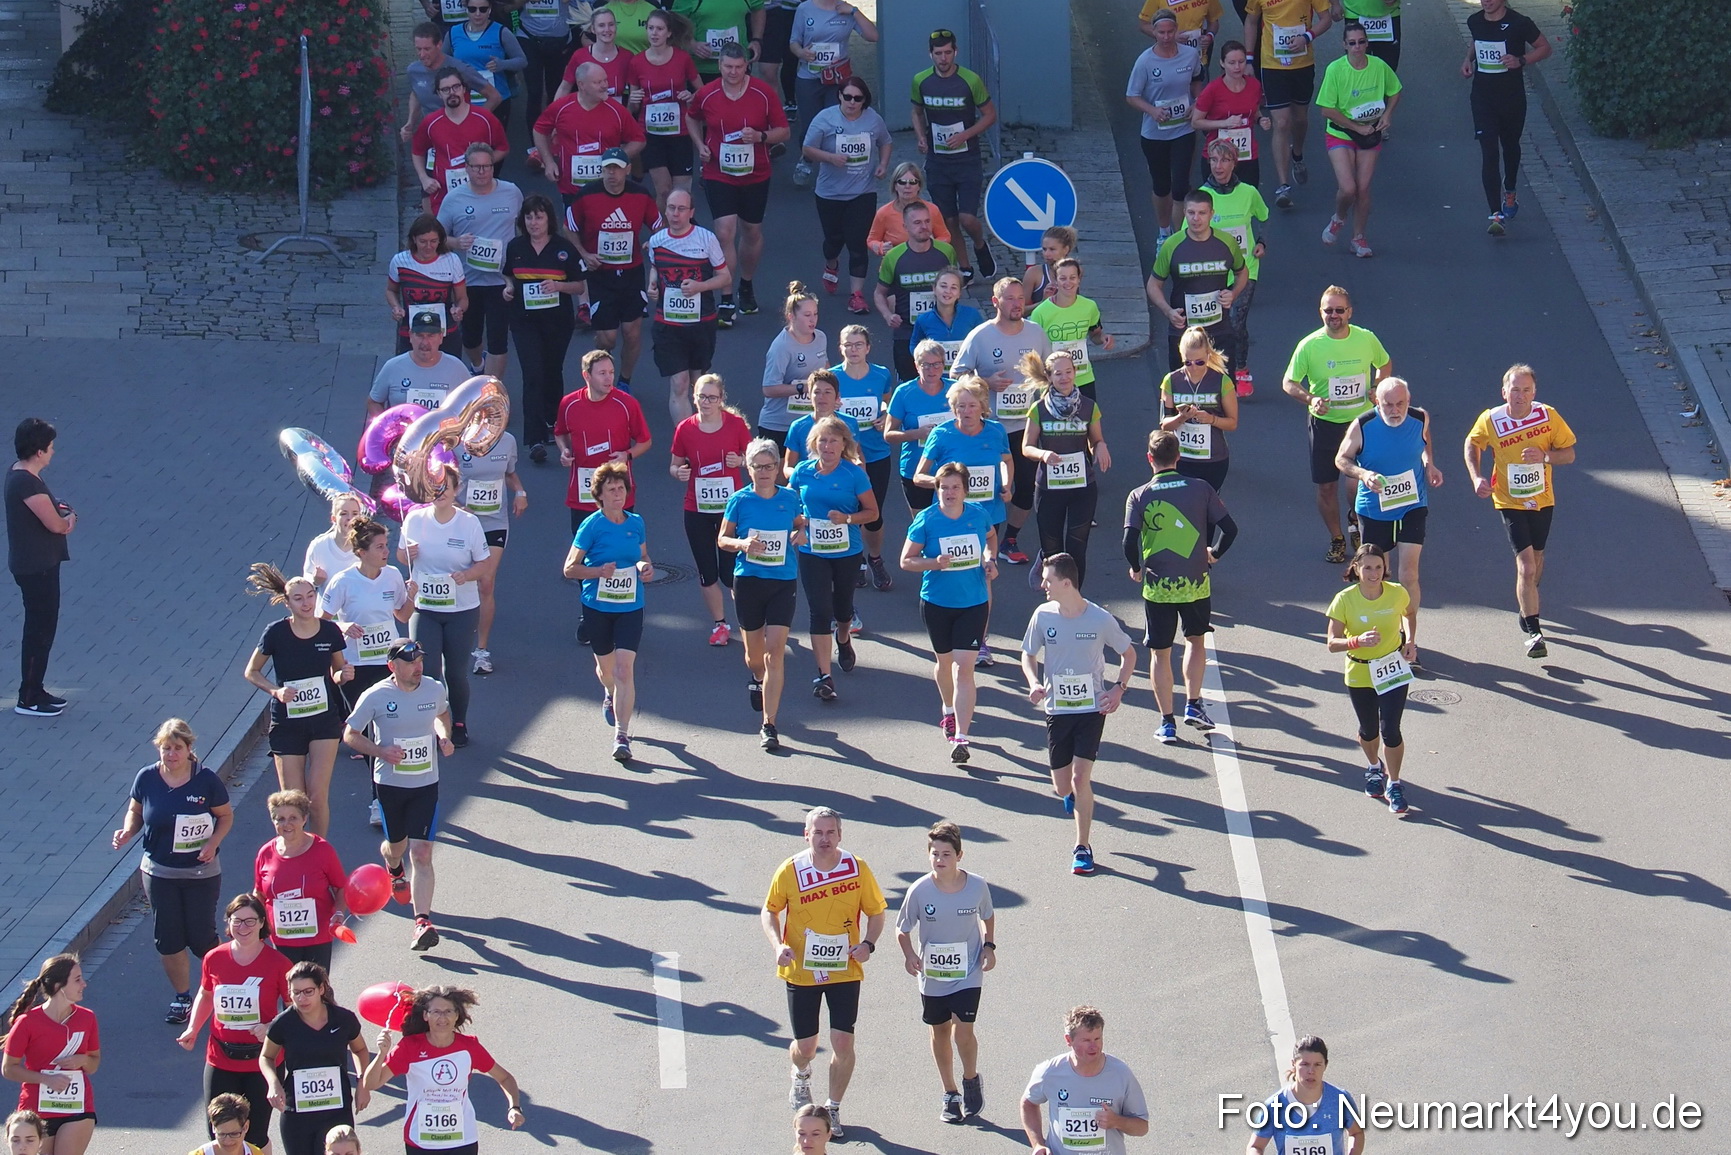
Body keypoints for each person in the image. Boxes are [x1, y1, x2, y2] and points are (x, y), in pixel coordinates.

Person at [760, 807, 887, 1143]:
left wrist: (868, 944)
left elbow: (876, 912)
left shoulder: (856, 868)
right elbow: (770, 911)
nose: (825, 839)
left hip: (844, 968)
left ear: (840, 835)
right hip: (801, 970)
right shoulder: (791, 869)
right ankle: (800, 1073)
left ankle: (832, 1108)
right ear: (806, 834)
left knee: (843, 1041)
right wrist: (777, 946)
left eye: (831, 832)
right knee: (806, 1046)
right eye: (818, 832)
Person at [110, 717, 234, 1024]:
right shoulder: (147, 778)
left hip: (200, 873)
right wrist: (127, 831)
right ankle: (182, 997)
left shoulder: (205, 780)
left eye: (177, 748)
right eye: (166, 748)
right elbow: (136, 811)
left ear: (189, 749)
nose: (171, 755)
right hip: (159, 871)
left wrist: (213, 842)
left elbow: (225, 816)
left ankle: (224, 984)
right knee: (168, 938)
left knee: (201, 937)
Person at [1020, 553, 1136, 875]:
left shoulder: (1099, 619)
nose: (1042, 585)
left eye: (1048, 580)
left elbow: (1129, 654)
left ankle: (1082, 846)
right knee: (1062, 787)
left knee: (1080, 777)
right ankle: (1070, 795)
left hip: (1091, 708)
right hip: (1058, 709)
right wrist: (1032, 682)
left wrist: (1118, 690)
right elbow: (1028, 654)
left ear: (1066, 583)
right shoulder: (1043, 616)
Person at [1125, 429, 1238, 745]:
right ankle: (1194, 703)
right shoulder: (1201, 488)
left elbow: (1128, 539)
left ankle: (1167, 722)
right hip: (1196, 583)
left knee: (1160, 653)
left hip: (1158, 586)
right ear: (1179, 457)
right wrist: (1213, 554)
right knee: (1195, 641)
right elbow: (1230, 529)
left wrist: (1136, 567)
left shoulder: (1139, 494)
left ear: (1150, 458)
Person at [341, 640, 453, 948]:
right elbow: (349, 734)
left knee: (422, 853)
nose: (418, 667)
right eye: (411, 662)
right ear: (393, 667)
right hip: (390, 786)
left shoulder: (433, 689)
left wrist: (444, 738)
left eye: (420, 660)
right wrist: (379, 751)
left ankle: (423, 922)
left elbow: (443, 715)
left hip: (426, 784)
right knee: (396, 847)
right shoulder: (376, 696)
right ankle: (394, 867)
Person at [1463, 363, 1576, 658]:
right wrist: (1476, 476)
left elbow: (1570, 454)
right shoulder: (1491, 420)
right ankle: (1534, 631)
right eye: (1515, 390)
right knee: (1525, 565)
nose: (1520, 396)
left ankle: (1528, 602)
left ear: (1534, 392)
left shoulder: (1548, 417)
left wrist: (1546, 456)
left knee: (1537, 560)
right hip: (1508, 500)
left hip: (1542, 499)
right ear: (1504, 392)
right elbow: (1472, 443)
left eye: (1526, 390)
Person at [1282, 285, 1392, 562]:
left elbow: (1385, 364)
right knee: (1327, 486)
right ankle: (1337, 537)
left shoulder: (1366, 339)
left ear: (1349, 312)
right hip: (1325, 424)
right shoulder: (1309, 345)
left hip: (1361, 423)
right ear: (1321, 312)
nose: (1334, 315)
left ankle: (1356, 521)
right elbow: (1289, 382)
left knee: (1358, 481)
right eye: (1328, 310)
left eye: (1339, 310)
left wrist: (1377, 386)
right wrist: (1310, 399)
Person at [318, 515, 414, 829]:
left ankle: (387, 794)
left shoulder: (393, 576)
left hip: (387, 663)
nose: (387, 551)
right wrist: (343, 626)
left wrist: (412, 595)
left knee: (385, 729)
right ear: (361, 551)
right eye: (380, 546)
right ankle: (378, 801)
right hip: (354, 666)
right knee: (372, 731)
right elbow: (322, 621)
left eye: (387, 545)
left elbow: (401, 614)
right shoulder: (343, 581)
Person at [1334, 377, 1439, 661]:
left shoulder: (1420, 417)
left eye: (1400, 404)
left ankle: (1409, 643)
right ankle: (1384, 638)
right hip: (1374, 508)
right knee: (1380, 575)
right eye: (1388, 405)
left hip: (1412, 504)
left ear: (1408, 400)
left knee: (1409, 575)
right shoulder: (1363, 425)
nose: (1395, 410)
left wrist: (1430, 466)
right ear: (1376, 403)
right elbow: (1342, 459)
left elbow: (1424, 443)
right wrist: (1363, 475)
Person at [177, 895, 292, 1155]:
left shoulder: (278, 963)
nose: (243, 927)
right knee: (219, 1131)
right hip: (221, 1058)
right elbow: (206, 994)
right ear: (228, 924)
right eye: (237, 921)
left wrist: (271, 1026)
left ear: (262, 923)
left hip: (262, 1060)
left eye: (250, 921)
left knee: (254, 1134)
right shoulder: (214, 958)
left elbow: (294, 1007)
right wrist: (192, 1029)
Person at [894, 821, 994, 1121]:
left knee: (963, 1032)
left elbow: (988, 916)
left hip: (968, 972)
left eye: (946, 854)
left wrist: (989, 947)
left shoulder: (977, 885)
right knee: (939, 1031)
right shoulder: (920, 890)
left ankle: (970, 1079)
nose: (940, 860)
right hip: (933, 977)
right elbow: (902, 929)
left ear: (959, 856)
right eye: (935, 853)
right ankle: (949, 1092)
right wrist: (910, 955)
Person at [243, 565, 352, 837]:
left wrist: (343, 674)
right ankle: (294, 853)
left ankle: (320, 852)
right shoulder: (276, 633)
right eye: (299, 598)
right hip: (288, 723)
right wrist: (276, 691)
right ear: (287, 602)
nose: (306, 603)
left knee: (316, 796)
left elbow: (337, 673)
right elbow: (251, 671)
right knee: (294, 799)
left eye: (310, 595)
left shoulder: (330, 632)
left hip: (323, 721)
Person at [901, 463, 997, 761]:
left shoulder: (978, 515)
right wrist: (934, 562)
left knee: (964, 668)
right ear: (937, 489)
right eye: (944, 487)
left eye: (955, 487)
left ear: (965, 490)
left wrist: (990, 558)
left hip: (974, 602)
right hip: (937, 602)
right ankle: (948, 709)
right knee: (944, 664)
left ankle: (961, 737)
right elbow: (906, 561)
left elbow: (991, 537)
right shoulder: (927, 521)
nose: (949, 493)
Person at [914, 377, 1013, 667]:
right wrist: (948, 485)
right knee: (953, 573)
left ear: (983, 407)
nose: (966, 412)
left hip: (987, 514)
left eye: (972, 406)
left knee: (984, 573)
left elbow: (1006, 461)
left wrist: (1007, 484)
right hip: (948, 518)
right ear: (952, 408)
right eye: (960, 406)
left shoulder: (995, 431)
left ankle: (979, 641)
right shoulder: (942, 434)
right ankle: (947, 628)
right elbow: (919, 475)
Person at [688, 42, 789, 324]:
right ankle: (726, 296)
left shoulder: (763, 93)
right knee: (724, 230)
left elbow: (784, 131)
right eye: (727, 67)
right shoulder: (707, 94)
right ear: (719, 66)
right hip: (718, 172)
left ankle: (746, 283)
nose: (733, 72)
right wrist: (700, 145)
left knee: (751, 232)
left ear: (747, 66)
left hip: (755, 173)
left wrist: (761, 137)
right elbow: (691, 117)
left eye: (738, 67)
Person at [952, 278, 1050, 564]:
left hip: (1026, 425)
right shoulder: (980, 336)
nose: (1016, 304)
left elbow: (1051, 370)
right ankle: (980, 537)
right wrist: (985, 381)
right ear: (995, 302)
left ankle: (1010, 539)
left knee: (1025, 484)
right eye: (1009, 298)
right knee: (988, 485)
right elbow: (957, 375)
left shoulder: (1036, 333)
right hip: (990, 426)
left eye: (1020, 298)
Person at [718, 439, 807, 750]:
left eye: (770, 466)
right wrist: (742, 544)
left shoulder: (790, 498)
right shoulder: (739, 501)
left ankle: (769, 724)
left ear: (777, 467)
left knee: (774, 653)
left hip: (782, 581)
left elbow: (799, 524)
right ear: (749, 468)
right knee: (755, 657)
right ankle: (756, 679)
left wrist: (801, 533)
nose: (765, 472)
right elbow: (722, 539)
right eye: (759, 467)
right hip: (749, 581)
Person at [563, 462, 654, 762]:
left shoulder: (636, 522)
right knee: (606, 671)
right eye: (611, 490)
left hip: (631, 605)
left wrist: (644, 567)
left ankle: (622, 734)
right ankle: (608, 692)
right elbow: (569, 569)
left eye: (621, 488)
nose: (618, 494)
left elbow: (641, 556)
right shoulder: (591, 526)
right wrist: (598, 571)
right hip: (597, 606)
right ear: (599, 496)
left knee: (624, 669)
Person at [363, 987, 524, 1151]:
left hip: (462, 1139)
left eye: (448, 1011)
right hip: (421, 1140)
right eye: (436, 1012)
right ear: (426, 1015)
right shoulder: (409, 1047)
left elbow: (505, 1078)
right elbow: (371, 1084)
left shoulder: (469, 1047)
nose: (442, 1017)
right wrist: (381, 1054)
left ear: (456, 1015)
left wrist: (514, 1107)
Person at [398, 473, 492, 746]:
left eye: (445, 488)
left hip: (461, 609)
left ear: (456, 489)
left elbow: (484, 564)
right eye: (435, 488)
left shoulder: (468, 523)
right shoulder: (415, 519)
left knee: (455, 670)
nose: (440, 493)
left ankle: (459, 722)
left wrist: (468, 575)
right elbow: (401, 556)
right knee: (425, 670)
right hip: (425, 606)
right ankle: (429, 724)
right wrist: (408, 555)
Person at [788, 416, 876, 700]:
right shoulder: (802, 471)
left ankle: (844, 637)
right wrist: (798, 525)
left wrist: (848, 518)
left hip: (846, 552)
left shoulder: (854, 474)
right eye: (822, 440)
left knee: (842, 607)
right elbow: (788, 507)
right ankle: (824, 675)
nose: (827, 446)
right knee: (819, 610)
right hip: (812, 551)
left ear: (844, 445)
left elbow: (872, 512)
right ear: (814, 443)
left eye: (833, 441)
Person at [1324, 543, 1415, 815]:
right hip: (1359, 671)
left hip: (1392, 668)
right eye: (1368, 568)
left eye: (1379, 567)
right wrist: (1356, 641)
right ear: (1356, 569)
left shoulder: (1397, 593)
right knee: (1368, 730)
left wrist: (1410, 640)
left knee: (1391, 730)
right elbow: (1331, 643)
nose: (1374, 573)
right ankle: (1374, 767)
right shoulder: (1345, 599)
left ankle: (1395, 784)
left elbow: (1409, 614)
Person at [565, 147, 661, 391]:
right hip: (600, 275)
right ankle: (601, 367)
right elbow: (569, 227)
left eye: (617, 169)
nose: (612, 174)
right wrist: (585, 254)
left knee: (631, 333)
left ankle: (624, 381)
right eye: (608, 168)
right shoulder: (587, 195)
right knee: (608, 337)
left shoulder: (641, 195)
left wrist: (653, 241)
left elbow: (659, 228)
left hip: (631, 273)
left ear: (627, 170)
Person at [500, 193, 585, 458]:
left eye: (539, 216)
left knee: (551, 371)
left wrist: (558, 286)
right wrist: (508, 288)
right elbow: (507, 277)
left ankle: (552, 421)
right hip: (524, 321)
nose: (534, 222)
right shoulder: (515, 247)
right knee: (532, 373)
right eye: (529, 217)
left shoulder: (564, 248)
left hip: (557, 321)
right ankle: (534, 439)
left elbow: (579, 285)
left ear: (549, 219)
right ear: (522, 221)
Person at [670, 373, 752, 646]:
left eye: (712, 398)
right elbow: (674, 464)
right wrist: (678, 472)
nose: (706, 402)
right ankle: (719, 624)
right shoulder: (685, 428)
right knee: (707, 571)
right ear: (694, 398)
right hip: (697, 509)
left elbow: (755, 461)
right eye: (701, 397)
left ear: (721, 400)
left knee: (730, 572)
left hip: (731, 510)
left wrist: (740, 460)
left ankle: (748, 620)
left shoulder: (736, 425)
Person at [909, 29, 997, 282]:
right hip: (938, 161)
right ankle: (965, 267)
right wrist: (921, 137)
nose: (943, 58)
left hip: (967, 159)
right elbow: (916, 112)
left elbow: (990, 115)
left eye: (948, 53)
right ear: (930, 54)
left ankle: (980, 244)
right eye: (938, 54)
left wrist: (966, 134)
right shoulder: (921, 81)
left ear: (955, 52)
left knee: (967, 217)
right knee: (948, 219)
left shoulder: (970, 80)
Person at [1020, 350, 1111, 586]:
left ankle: (1074, 598)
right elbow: (1026, 447)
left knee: (1076, 549)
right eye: (1058, 373)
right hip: (1049, 489)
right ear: (1049, 377)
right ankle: (1053, 591)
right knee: (1053, 550)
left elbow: (1096, 439)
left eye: (1068, 372)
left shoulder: (1089, 407)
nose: (1064, 378)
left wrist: (1100, 447)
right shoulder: (1038, 409)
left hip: (1082, 487)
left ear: (1075, 373)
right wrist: (1043, 454)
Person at [259, 963, 369, 1155]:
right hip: (297, 1112)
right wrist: (273, 1083)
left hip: (336, 1108)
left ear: (321, 989)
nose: (302, 998)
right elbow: (266, 1056)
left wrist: (363, 1083)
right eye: (296, 992)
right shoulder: (283, 1023)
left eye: (308, 991)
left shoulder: (343, 1019)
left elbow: (359, 1050)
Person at [803, 75, 891, 313]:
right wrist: (830, 158)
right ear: (839, 96)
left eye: (858, 98)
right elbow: (808, 149)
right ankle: (831, 264)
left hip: (863, 192)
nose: (852, 102)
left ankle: (857, 294)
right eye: (848, 97)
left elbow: (885, 141)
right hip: (830, 193)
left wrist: (882, 163)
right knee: (833, 241)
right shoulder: (825, 119)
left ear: (864, 100)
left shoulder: (873, 119)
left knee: (858, 244)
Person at [1462, 0, 1548, 236]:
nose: (1486, 1)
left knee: (1510, 146)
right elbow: (1476, 42)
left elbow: (1544, 48)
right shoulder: (1474, 21)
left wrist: (1521, 61)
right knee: (1489, 151)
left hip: (1511, 99)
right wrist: (1468, 59)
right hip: (1482, 98)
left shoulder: (1520, 23)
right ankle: (1495, 214)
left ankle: (1510, 189)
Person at [6, 417, 74, 717]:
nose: (53, 452)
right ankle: (29, 697)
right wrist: (70, 519)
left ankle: (36, 687)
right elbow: (56, 525)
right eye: (50, 447)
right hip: (37, 568)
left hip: (38, 564)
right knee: (39, 630)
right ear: (38, 451)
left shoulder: (22, 475)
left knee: (42, 628)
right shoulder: (25, 482)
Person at [556, 350, 653, 556]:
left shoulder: (627, 404)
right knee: (584, 556)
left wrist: (627, 455)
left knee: (620, 554)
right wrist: (564, 451)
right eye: (602, 373)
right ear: (586, 376)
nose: (609, 378)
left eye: (611, 372)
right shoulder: (569, 404)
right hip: (583, 494)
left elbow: (645, 441)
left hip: (619, 492)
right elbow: (560, 433)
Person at [436, 143, 522, 378]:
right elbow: (437, 237)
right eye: (476, 167)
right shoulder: (454, 199)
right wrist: (456, 243)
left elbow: (524, 226)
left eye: (486, 166)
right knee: (471, 336)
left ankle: (492, 391)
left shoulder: (512, 192)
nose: (482, 172)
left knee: (498, 339)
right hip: (468, 280)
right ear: (467, 168)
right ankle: (477, 365)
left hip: (501, 280)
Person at [645, 190, 731, 422]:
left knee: (698, 383)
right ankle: (685, 443)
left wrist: (699, 287)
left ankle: (705, 432)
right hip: (668, 324)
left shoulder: (706, 239)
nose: (675, 214)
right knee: (679, 383)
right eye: (671, 208)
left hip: (701, 323)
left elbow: (725, 277)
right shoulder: (656, 241)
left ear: (691, 212)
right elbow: (656, 268)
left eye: (681, 209)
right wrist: (652, 285)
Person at [1316, 22, 1400, 258]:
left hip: (1370, 133)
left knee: (1363, 189)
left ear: (1367, 43)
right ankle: (1338, 218)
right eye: (1352, 43)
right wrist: (1354, 127)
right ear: (1344, 45)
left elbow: (1395, 91)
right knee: (1349, 188)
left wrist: (1387, 115)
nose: (1357, 47)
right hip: (1340, 132)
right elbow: (1325, 109)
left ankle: (1358, 238)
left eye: (1361, 42)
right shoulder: (1335, 69)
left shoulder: (1379, 66)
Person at [1, 956, 99, 1155]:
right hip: (36, 1109)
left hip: (77, 1107)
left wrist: (83, 1060)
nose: (84, 984)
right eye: (77, 979)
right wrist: (46, 1079)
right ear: (58, 986)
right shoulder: (27, 1022)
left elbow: (94, 1063)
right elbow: (8, 1068)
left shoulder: (87, 1017)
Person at [1020, 1005, 1149, 1152]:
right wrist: (1037, 1143)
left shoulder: (1121, 1074)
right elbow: (1028, 1103)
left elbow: (1142, 1127)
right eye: (1086, 1040)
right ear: (1069, 1040)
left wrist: (1116, 1121)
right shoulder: (1050, 1072)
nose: (1094, 1046)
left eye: (1097, 1038)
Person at [1243, 0, 1332, 209]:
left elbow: (1326, 19)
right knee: (1281, 123)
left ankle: (1297, 154)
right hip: (1272, 64)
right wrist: (1248, 59)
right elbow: (1251, 21)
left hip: (1302, 63)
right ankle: (1283, 185)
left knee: (1300, 119)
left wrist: (1306, 37)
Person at [1146, 190, 1246, 372]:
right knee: (1182, 392)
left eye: (1202, 213)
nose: (1196, 218)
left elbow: (1243, 272)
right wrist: (1168, 311)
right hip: (1183, 332)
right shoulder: (1172, 245)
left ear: (1211, 214)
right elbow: (1153, 284)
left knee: (1223, 392)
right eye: (1191, 213)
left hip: (1219, 330)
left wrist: (1233, 293)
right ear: (1184, 213)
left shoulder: (1227, 242)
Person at [1198, 137, 1268, 397]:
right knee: (1214, 324)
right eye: (1214, 160)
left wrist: (1261, 241)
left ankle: (1240, 369)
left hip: (1245, 269)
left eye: (1225, 160)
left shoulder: (1249, 192)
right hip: (1212, 271)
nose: (1219, 166)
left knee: (1237, 322)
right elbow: (1185, 233)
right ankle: (1214, 369)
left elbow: (1263, 217)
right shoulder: (1202, 197)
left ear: (1234, 163)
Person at [1125, 11, 1203, 242]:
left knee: (1180, 186)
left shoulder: (1190, 55)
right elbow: (1131, 96)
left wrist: (1197, 102)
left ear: (1176, 30)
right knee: (1162, 186)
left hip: (1183, 130)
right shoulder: (1145, 62)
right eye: (1161, 32)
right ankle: (1163, 231)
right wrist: (1152, 110)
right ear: (1154, 32)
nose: (1166, 37)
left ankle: (1178, 239)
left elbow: (1198, 79)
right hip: (1154, 134)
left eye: (1170, 32)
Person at [830, 325, 898, 591]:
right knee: (850, 510)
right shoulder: (832, 378)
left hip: (877, 452)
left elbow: (887, 403)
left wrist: (884, 417)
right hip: (844, 456)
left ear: (868, 348)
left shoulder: (880, 374)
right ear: (841, 348)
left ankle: (875, 558)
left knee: (873, 513)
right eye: (848, 345)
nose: (853, 350)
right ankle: (856, 561)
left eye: (858, 345)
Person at [252, 790, 348, 970]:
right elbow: (258, 894)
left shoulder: (322, 850)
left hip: (317, 936)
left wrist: (339, 913)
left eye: (293, 818)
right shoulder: (265, 853)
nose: (286, 824)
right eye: (280, 819)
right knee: (288, 992)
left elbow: (341, 887)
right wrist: (255, 926)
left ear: (304, 819)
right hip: (282, 937)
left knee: (316, 990)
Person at [458, 429, 524, 676]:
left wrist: (520, 492)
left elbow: (509, 473)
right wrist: (454, 504)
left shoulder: (508, 440)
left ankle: (481, 651)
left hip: (494, 523)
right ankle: (454, 635)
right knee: (462, 582)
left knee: (486, 582)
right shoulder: (456, 442)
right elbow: (442, 480)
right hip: (462, 523)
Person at [532, 61, 644, 207]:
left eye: (605, 80)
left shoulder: (617, 110)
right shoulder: (561, 107)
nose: (605, 85)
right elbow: (539, 130)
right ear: (581, 84)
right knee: (573, 228)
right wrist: (549, 162)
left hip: (607, 186)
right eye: (597, 82)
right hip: (571, 187)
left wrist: (617, 158)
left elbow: (639, 140)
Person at [874, 201, 959, 383]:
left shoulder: (946, 252)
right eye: (917, 222)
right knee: (909, 384)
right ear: (905, 226)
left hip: (941, 330)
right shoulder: (893, 257)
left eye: (927, 222)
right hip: (907, 332)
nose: (924, 227)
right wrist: (887, 315)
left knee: (945, 384)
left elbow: (956, 285)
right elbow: (879, 293)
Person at [625, 10, 701, 213]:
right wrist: (633, 101)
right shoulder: (636, 62)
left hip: (680, 134)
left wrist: (691, 97)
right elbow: (632, 106)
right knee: (664, 190)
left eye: (659, 29)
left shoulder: (683, 59)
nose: (654, 33)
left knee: (682, 193)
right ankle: (662, 236)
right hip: (652, 135)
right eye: (650, 28)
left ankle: (681, 236)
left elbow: (701, 94)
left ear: (669, 33)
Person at [410, 74, 508, 217]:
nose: (452, 93)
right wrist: (424, 178)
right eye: (445, 89)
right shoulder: (430, 122)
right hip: (444, 195)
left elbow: (503, 148)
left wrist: (482, 164)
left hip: (480, 193)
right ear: (439, 94)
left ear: (464, 89)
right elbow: (417, 151)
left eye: (456, 87)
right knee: (446, 236)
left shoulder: (485, 118)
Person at [1248, 1035, 1365, 1154]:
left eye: (1317, 1065)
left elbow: (1356, 1133)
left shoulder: (1340, 1099)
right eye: (1305, 1064)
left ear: (1325, 1065)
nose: (1311, 1071)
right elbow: (1255, 1146)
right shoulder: (1273, 1106)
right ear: (1294, 1064)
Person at [1157, 325, 1237, 492]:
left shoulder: (1222, 382)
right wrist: (1181, 418)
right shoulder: (1171, 381)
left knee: (1207, 509)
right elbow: (1164, 425)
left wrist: (1211, 419)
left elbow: (1232, 423)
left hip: (1213, 460)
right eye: (1188, 362)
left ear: (1208, 356)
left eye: (1199, 362)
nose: (1193, 367)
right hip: (1180, 459)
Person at [756, 281, 829, 454]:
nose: (813, 320)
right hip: (779, 425)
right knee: (782, 478)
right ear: (791, 316)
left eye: (815, 314)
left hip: (810, 422)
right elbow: (769, 389)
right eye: (807, 315)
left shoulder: (821, 338)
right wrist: (803, 388)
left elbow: (825, 367)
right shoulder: (781, 347)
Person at [884, 340, 954, 515]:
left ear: (943, 364)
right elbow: (889, 434)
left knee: (952, 523)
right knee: (923, 525)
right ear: (916, 366)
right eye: (926, 365)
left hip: (951, 470)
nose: (932, 370)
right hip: (915, 470)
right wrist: (917, 433)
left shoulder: (955, 390)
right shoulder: (904, 392)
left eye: (937, 364)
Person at [1029, 258, 1114, 396]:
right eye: (1063, 278)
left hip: (1083, 377)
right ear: (1055, 281)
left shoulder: (1089, 306)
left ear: (1079, 279)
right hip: (1054, 380)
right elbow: (1033, 351)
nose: (1068, 283)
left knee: (1087, 417)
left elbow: (1095, 334)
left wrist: (1104, 338)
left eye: (1072, 277)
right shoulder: (1040, 312)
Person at [402, 25, 501, 145]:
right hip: (432, 133)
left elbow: (494, 96)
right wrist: (410, 123)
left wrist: (475, 121)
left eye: (427, 49)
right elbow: (416, 93)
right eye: (418, 49)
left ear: (439, 45)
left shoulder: (460, 69)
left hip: (459, 134)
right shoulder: (413, 70)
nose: (422, 55)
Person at [1191, 40, 1268, 189]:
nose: (1237, 67)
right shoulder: (1212, 89)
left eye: (1241, 61)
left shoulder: (1254, 85)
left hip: (1246, 154)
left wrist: (1261, 119)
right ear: (1222, 63)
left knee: (1246, 203)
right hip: (1218, 157)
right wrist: (1224, 123)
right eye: (1232, 62)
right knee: (1218, 207)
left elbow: (1254, 111)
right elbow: (1196, 122)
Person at [386, 217, 468, 357]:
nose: (428, 246)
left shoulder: (452, 260)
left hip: (445, 333)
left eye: (433, 241)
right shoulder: (400, 261)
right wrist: (396, 307)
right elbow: (391, 290)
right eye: (423, 241)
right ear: (414, 239)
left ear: (440, 240)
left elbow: (462, 298)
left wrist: (459, 309)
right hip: (411, 333)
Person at [367, 310, 470, 420]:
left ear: (440, 337)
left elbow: (474, 404)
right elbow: (374, 402)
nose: (425, 343)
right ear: (411, 336)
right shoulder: (393, 367)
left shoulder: (457, 368)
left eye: (431, 336)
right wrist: (385, 426)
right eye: (420, 336)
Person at [443, 0, 525, 130]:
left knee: (494, 146)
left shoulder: (501, 32)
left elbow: (522, 60)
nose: (477, 14)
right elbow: (442, 62)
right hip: (463, 101)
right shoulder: (453, 33)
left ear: (490, 9)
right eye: (472, 9)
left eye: (483, 9)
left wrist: (503, 64)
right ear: (466, 9)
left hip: (497, 100)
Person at [866, 163, 954, 257]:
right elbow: (871, 240)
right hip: (896, 261)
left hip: (927, 258)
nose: (907, 186)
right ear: (895, 186)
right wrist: (881, 247)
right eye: (902, 182)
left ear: (919, 186)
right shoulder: (883, 213)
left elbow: (945, 236)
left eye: (912, 182)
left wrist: (933, 245)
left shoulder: (932, 209)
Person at [781, 371, 860, 474]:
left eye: (827, 392)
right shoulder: (798, 426)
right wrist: (803, 477)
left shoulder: (850, 423)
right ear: (809, 395)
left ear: (837, 396)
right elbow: (788, 467)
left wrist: (861, 475)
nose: (822, 397)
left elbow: (856, 456)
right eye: (817, 392)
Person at [674, 0, 765, 85]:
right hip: (702, 69)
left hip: (738, 65)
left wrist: (757, 39)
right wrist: (692, 44)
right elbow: (675, 20)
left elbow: (758, 9)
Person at [557, 6, 633, 103]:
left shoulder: (627, 57)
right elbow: (564, 88)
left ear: (616, 27)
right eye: (601, 25)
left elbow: (633, 92)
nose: (607, 29)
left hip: (616, 115)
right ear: (593, 29)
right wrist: (555, 114)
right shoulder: (579, 56)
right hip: (586, 115)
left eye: (611, 24)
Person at [912, 267, 982, 372]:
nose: (948, 291)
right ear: (934, 289)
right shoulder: (923, 320)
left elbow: (984, 341)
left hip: (965, 380)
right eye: (943, 286)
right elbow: (914, 344)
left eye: (953, 288)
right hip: (936, 380)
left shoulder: (972, 315)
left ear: (959, 293)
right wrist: (924, 360)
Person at [513, 0, 569, 130]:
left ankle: (554, 134)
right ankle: (534, 142)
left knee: (555, 91)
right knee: (534, 91)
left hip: (559, 40)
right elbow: (508, 7)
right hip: (528, 36)